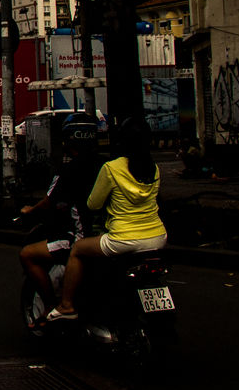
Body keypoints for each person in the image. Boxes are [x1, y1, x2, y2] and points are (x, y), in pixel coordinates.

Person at [45, 118, 168, 323]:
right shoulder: (153, 168)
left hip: (122, 239)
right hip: (158, 238)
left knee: (78, 249)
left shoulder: (112, 168)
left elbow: (93, 204)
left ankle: (66, 305)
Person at [16, 114, 102, 319]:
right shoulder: (107, 165)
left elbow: (48, 202)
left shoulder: (68, 171)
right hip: (109, 235)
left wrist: (29, 211)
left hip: (82, 237)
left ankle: (53, 306)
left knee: (27, 254)